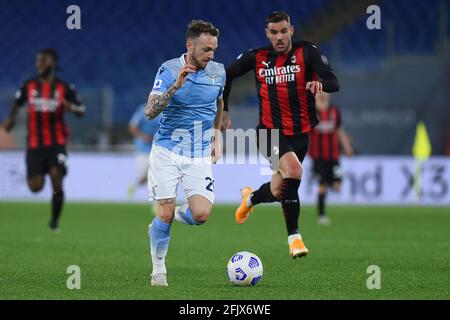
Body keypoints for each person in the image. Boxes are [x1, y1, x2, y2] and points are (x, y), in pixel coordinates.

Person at [222, 11, 339, 258]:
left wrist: (321, 84)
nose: (279, 37)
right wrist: (224, 110)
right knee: (294, 171)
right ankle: (294, 238)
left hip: (300, 134)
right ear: (267, 33)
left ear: (291, 30)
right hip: (268, 132)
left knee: (278, 190)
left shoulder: (308, 52)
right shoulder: (257, 58)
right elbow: (226, 75)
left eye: (283, 31)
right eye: (274, 32)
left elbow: (333, 81)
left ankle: (250, 198)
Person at [144, 20, 225, 286]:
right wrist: (176, 86)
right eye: (205, 49)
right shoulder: (168, 70)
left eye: (213, 49)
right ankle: (158, 270)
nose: (210, 55)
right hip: (167, 150)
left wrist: (217, 136)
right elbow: (150, 112)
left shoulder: (218, 72)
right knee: (163, 213)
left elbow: (220, 102)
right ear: (190, 45)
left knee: (200, 214)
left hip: (199, 153)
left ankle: (171, 216)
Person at [3, 48, 85, 232]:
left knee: (57, 178)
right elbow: (17, 104)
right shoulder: (28, 85)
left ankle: (54, 222)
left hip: (57, 143)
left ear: (53, 63)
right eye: (38, 61)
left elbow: (82, 110)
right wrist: (9, 120)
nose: (38, 64)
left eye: (43, 60)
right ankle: (47, 169)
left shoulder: (64, 87)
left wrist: (71, 107)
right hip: (34, 144)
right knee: (35, 187)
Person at [309, 92, 353, 225]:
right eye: (320, 92)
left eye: (325, 92)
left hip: (334, 155)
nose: (323, 94)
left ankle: (329, 181)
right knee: (322, 185)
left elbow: (339, 130)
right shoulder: (311, 111)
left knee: (337, 185)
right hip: (318, 156)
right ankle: (321, 215)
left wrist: (347, 147)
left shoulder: (334, 111)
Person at [127, 103, 161, 198]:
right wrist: (142, 136)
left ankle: (156, 202)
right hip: (142, 149)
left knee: (154, 175)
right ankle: (135, 184)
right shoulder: (142, 111)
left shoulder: (164, 111)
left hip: (157, 149)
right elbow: (132, 126)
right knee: (146, 176)